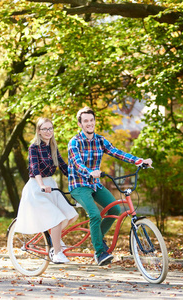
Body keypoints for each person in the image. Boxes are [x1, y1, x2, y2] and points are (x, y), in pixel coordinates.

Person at [68, 106, 152, 266]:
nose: (89, 123)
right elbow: (77, 163)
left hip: (95, 184)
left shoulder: (100, 140)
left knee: (115, 209)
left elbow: (117, 152)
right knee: (94, 215)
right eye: (85, 121)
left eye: (91, 120)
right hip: (79, 185)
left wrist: (139, 161)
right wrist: (89, 172)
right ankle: (99, 252)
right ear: (80, 124)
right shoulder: (74, 142)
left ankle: (97, 238)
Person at [14, 117, 78, 264]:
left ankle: (54, 239)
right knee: (57, 219)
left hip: (51, 185)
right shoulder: (34, 147)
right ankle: (56, 253)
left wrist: (80, 177)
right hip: (37, 187)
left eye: (50, 128)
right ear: (39, 131)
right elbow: (34, 168)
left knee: (71, 215)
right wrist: (41, 185)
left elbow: (64, 167)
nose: (48, 131)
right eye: (45, 129)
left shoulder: (53, 147)